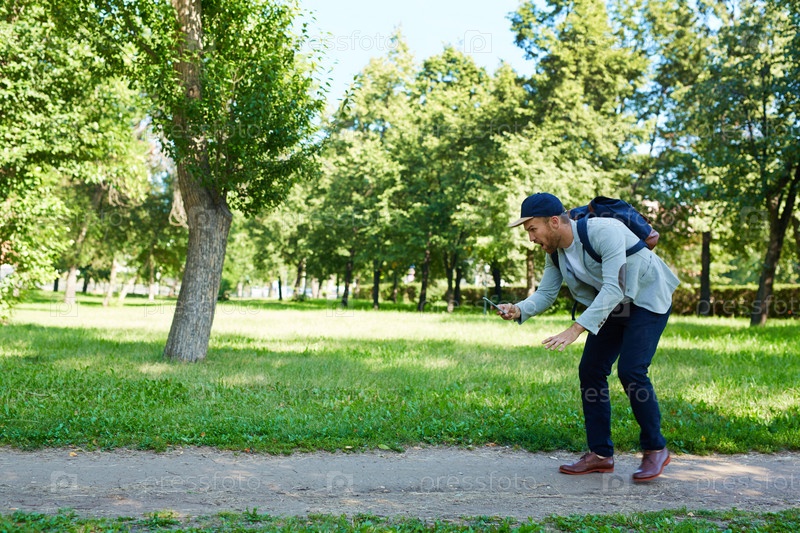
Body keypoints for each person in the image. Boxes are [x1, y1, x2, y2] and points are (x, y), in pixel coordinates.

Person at [496, 192, 680, 482]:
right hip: (614, 305)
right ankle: (601, 454)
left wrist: (575, 329)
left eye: (532, 229)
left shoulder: (604, 231)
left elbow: (614, 287)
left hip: (646, 297)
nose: (531, 238)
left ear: (554, 222)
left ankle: (655, 449)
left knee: (631, 370)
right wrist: (517, 309)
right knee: (591, 370)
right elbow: (546, 293)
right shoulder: (555, 253)